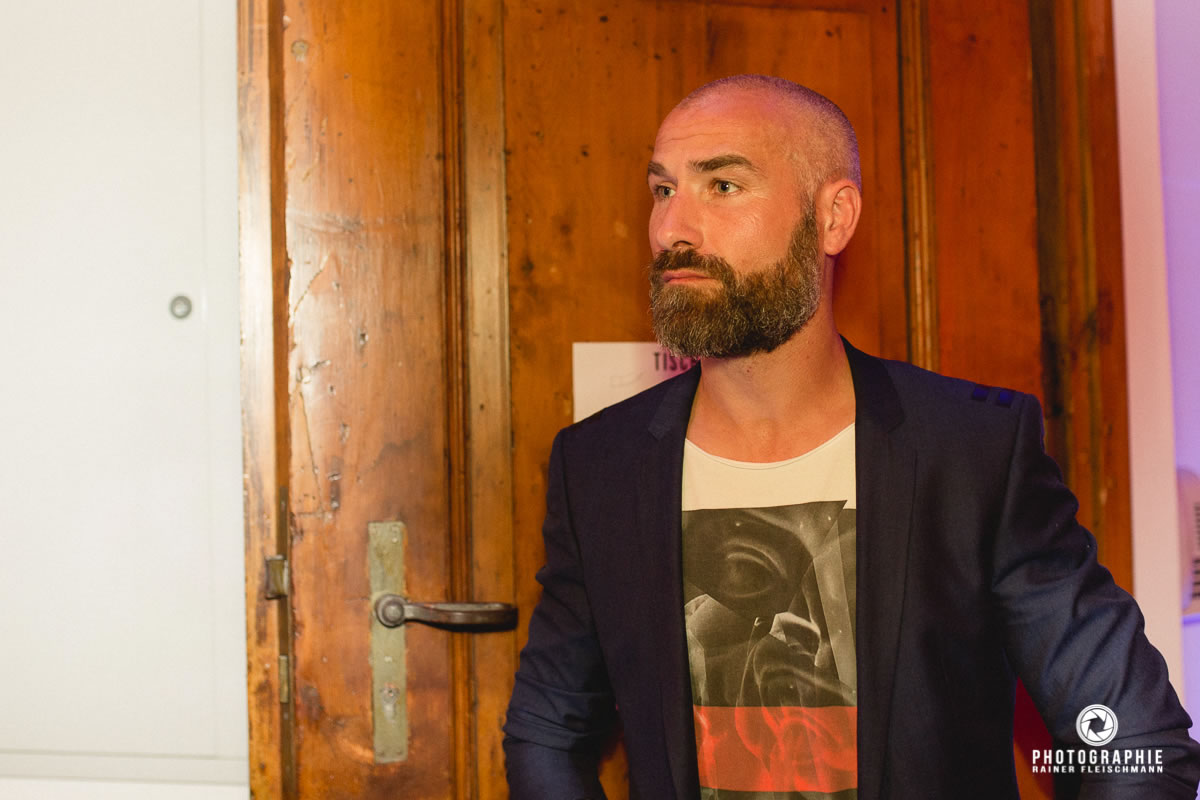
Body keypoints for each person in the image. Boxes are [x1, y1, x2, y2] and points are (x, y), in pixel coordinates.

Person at [502, 74, 1200, 799]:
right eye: (662, 190)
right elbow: (547, 732)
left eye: (723, 186)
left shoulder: (972, 453)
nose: (670, 228)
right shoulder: (601, 468)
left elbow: (1133, 740)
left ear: (834, 218)